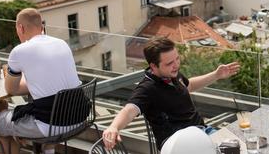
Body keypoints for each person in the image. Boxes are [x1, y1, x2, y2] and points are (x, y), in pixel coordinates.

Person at [102, 36, 239, 150]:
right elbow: (130, 109)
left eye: (177, 59)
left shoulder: (171, 73)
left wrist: (216, 75)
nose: (176, 65)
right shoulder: (147, 88)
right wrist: (114, 127)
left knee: (241, 145)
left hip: (202, 132)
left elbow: (188, 86)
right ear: (153, 66)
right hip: (178, 144)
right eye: (169, 63)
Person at [0, 8, 82, 154]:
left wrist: (21, 75)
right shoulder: (62, 43)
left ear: (20, 28)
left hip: (51, 124)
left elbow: (11, 90)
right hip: (78, 116)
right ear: (42, 27)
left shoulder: (19, 51)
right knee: (33, 110)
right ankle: (46, 149)